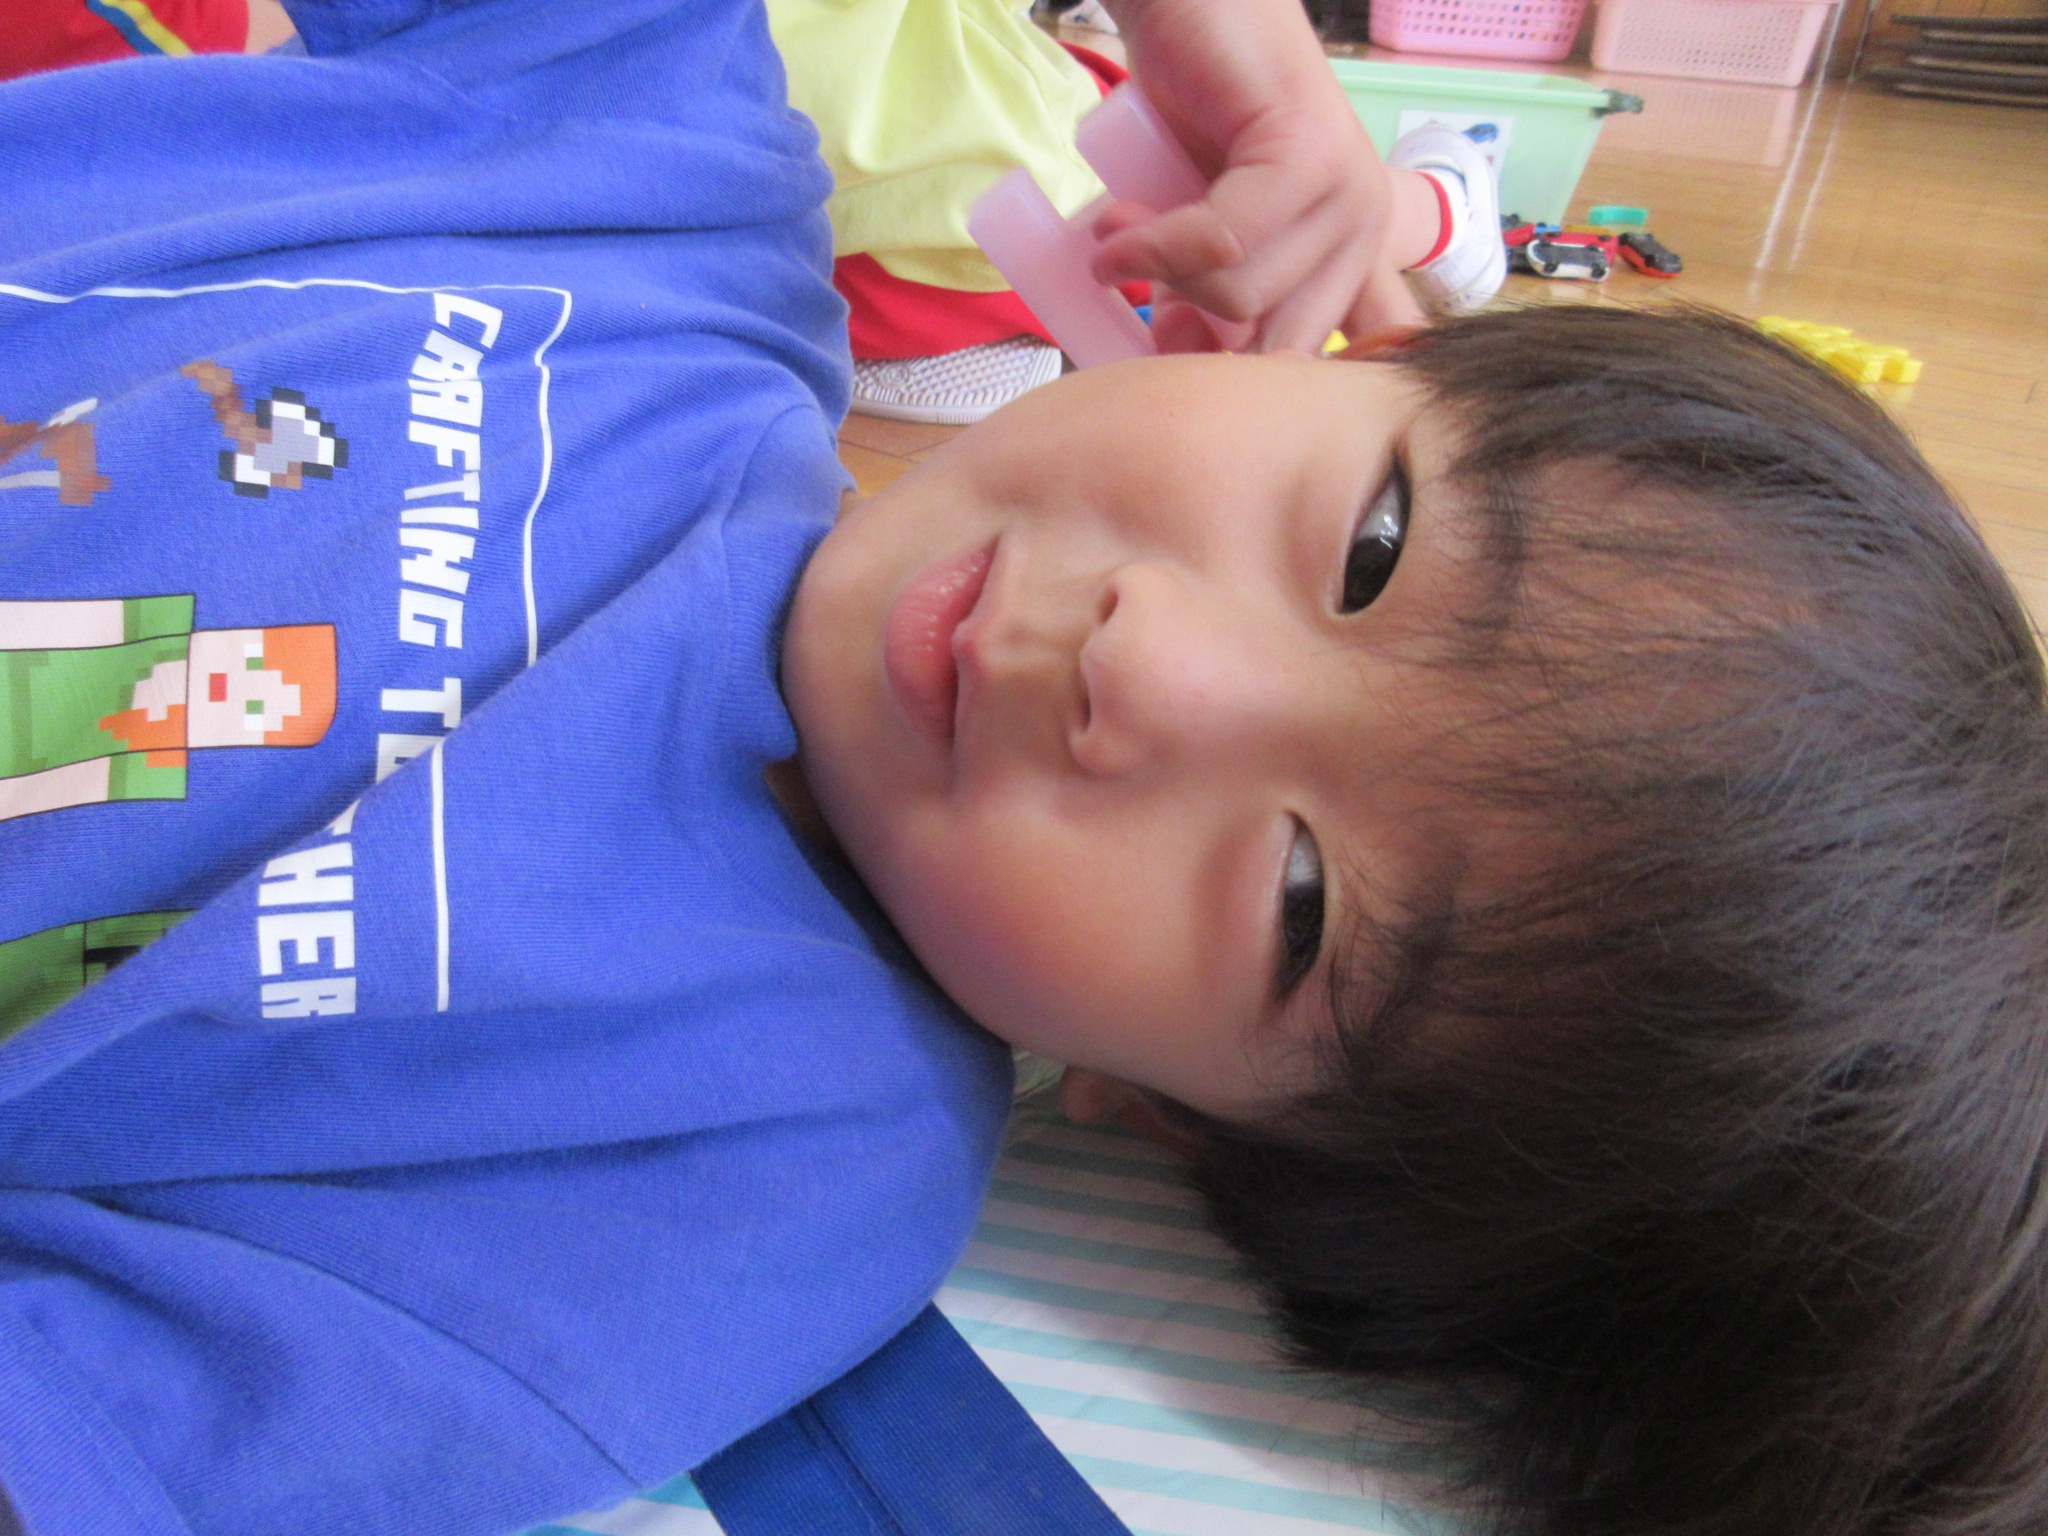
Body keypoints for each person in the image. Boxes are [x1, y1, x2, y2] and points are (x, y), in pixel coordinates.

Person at [2, 11, 2044, 1536]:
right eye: (1374, 547)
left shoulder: (774, 1170)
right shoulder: (664, 169)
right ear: (1354, 358)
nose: (1156, 663)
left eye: (1302, 904)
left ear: (1174, 1122)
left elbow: (105, 1437)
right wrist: (1226, 46)